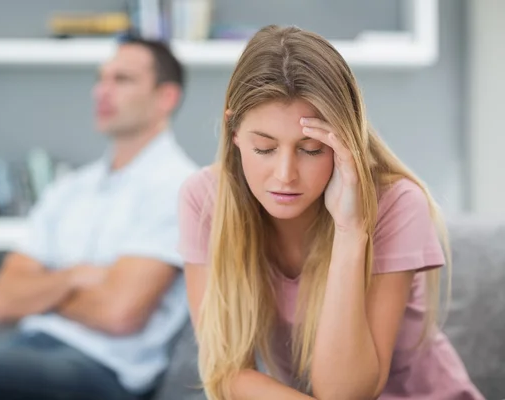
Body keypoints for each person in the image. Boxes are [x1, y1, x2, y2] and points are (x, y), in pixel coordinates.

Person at [178, 25, 484, 400]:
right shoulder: (204, 199)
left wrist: (351, 230)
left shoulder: (397, 204)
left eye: (310, 150)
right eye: (264, 148)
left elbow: (345, 393)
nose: (285, 175)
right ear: (234, 130)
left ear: (344, 143)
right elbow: (224, 371)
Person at [0, 36, 197, 400]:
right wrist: (76, 277)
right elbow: (3, 300)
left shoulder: (179, 188)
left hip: (103, 371)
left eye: (121, 80)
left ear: (165, 98)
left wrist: (44, 289)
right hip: (26, 346)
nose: (101, 92)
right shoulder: (71, 187)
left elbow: (119, 313)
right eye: (100, 78)